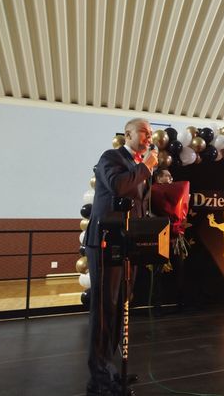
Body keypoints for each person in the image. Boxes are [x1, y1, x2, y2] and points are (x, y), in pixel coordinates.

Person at [85, 118, 158, 396]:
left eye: (151, 133)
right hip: (106, 242)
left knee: (119, 309)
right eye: (144, 132)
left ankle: (111, 371)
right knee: (105, 309)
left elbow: (138, 204)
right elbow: (118, 186)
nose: (149, 137)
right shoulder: (111, 157)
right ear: (128, 134)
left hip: (127, 245)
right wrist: (145, 167)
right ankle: (99, 380)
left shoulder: (139, 166)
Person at [150, 167, 189, 311]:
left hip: (175, 236)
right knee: (157, 271)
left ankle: (181, 302)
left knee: (179, 269)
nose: (171, 178)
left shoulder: (176, 192)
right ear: (158, 178)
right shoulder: (153, 191)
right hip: (161, 236)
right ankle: (157, 304)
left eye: (171, 176)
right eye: (167, 176)